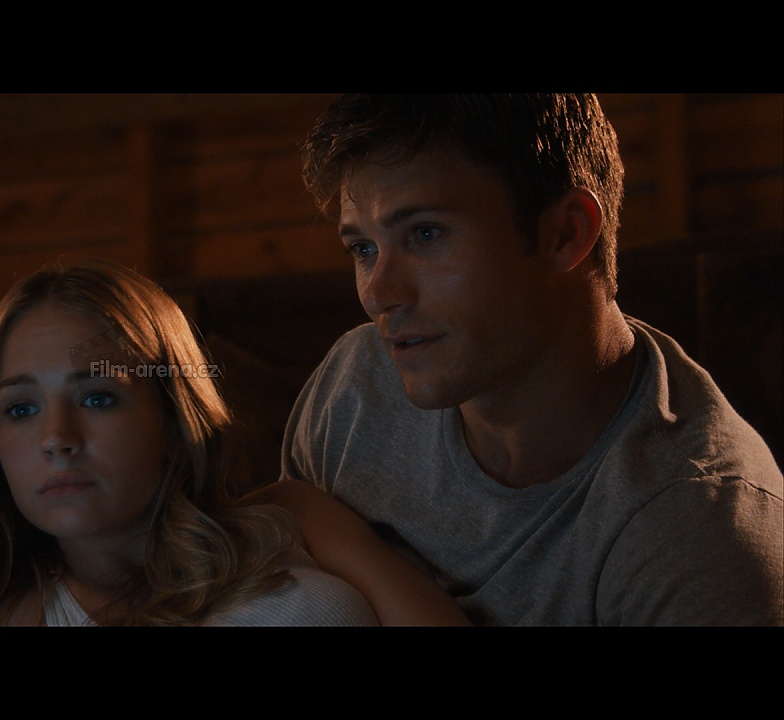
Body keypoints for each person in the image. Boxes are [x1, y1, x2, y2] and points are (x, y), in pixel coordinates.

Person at [270, 93, 783, 626]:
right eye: (363, 249)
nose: (378, 295)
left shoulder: (700, 534)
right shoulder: (354, 389)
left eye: (425, 234)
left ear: (566, 233)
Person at [0, 260, 379, 626]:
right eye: (21, 409)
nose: (56, 439)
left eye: (97, 398)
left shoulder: (291, 588)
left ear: (173, 421)